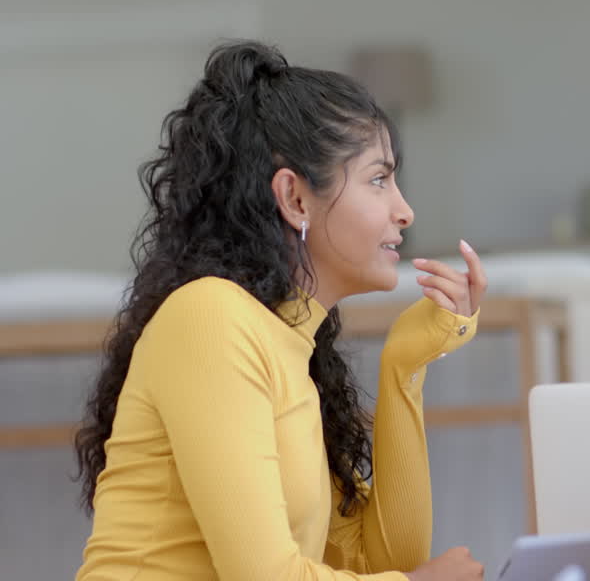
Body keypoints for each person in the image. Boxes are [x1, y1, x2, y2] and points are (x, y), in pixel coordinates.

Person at [74, 41, 486, 581]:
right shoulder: (210, 318)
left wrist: (404, 367)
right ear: (294, 199)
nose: (404, 211)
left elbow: (385, 560)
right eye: (378, 179)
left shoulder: (295, 355)